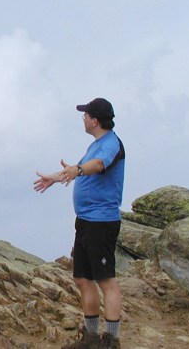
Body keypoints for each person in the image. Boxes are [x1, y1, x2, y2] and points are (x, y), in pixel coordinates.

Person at [33, 98, 125, 349]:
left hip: (102, 222)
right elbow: (78, 169)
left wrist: (78, 170)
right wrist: (54, 177)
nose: (82, 118)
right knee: (83, 278)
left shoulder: (111, 144)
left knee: (106, 280)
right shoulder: (95, 145)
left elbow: (94, 166)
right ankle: (91, 338)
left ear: (95, 120)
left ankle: (111, 340)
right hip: (85, 222)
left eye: (85, 115)